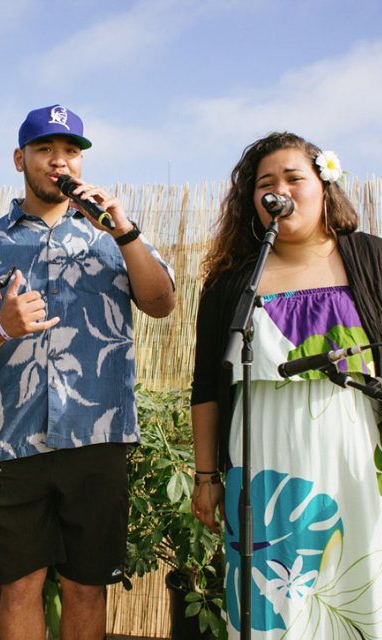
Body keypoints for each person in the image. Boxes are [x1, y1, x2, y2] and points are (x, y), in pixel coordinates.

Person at [0, 104, 175, 640]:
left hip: (98, 436)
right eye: (45, 150)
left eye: (70, 150)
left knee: (85, 585)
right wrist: (0, 327)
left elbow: (162, 303)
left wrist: (125, 231)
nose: (59, 161)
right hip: (13, 442)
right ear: (18, 158)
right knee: (19, 586)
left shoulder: (114, 238)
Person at [190, 132, 382, 638]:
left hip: (354, 450)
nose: (279, 191)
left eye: (294, 177)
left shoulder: (370, 257)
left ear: (324, 185)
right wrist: (206, 475)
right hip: (261, 456)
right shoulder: (231, 280)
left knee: (358, 586)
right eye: (265, 184)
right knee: (270, 598)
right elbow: (207, 386)